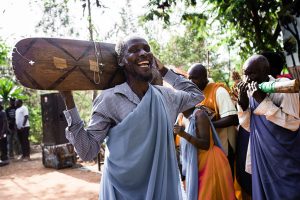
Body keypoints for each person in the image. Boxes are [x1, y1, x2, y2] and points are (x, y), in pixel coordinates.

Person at [59, 35, 204, 199]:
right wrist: (68, 100)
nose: (143, 53)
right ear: (121, 61)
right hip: (121, 192)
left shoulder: (166, 96)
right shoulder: (109, 99)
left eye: (147, 49)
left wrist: (164, 71)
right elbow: (87, 151)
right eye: (134, 50)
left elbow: (196, 95)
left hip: (160, 190)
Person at [237, 54, 300, 199]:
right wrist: (243, 105)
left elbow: (293, 123)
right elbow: (249, 127)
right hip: (263, 159)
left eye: (252, 73)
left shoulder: (283, 87)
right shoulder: (250, 91)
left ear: (266, 71)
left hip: (285, 160)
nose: (247, 79)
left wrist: (262, 100)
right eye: (245, 74)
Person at [187, 63, 239, 175]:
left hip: (224, 145)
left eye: (194, 78)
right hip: (208, 148)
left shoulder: (219, 91)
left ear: (204, 77)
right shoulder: (194, 93)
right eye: (189, 78)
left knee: (226, 181)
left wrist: (206, 125)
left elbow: (233, 118)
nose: (191, 82)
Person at [174, 107, 235, 200]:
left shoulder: (200, 115)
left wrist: (184, 134)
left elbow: (205, 145)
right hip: (194, 165)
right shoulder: (181, 117)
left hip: (210, 163)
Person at [0, 100, 9, 166]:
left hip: (3, 132)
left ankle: (5, 159)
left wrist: (2, 132)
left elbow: (5, 123)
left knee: (3, 145)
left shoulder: (2, 112)